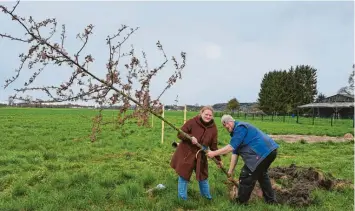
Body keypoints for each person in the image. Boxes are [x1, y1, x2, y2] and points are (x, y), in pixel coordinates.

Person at [207, 114, 279, 204]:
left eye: (225, 125)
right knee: (262, 175)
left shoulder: (240, 127)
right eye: (224, 126)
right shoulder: (236, 133)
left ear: (229, 122)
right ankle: (271, 201)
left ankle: (241, 203)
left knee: (246, 175)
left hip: (261, 153)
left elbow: (231, 147)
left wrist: (214, 153)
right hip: (270, 151)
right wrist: (230, 171)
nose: (225, 127)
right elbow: (235, 153)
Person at [170, 106, 223, 200]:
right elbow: (180, 134)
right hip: (187, 152)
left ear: (212, 116)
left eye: (210, 115)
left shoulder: (213, 128)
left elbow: (214, 145)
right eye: (206, 114)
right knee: (184, 175)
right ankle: (182, 199)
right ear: (201, 113)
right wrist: (190, 137)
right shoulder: (192, 122)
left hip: (201, 154)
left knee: (203, 176)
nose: (208, 116)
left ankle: (207, 198)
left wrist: (218, 159)